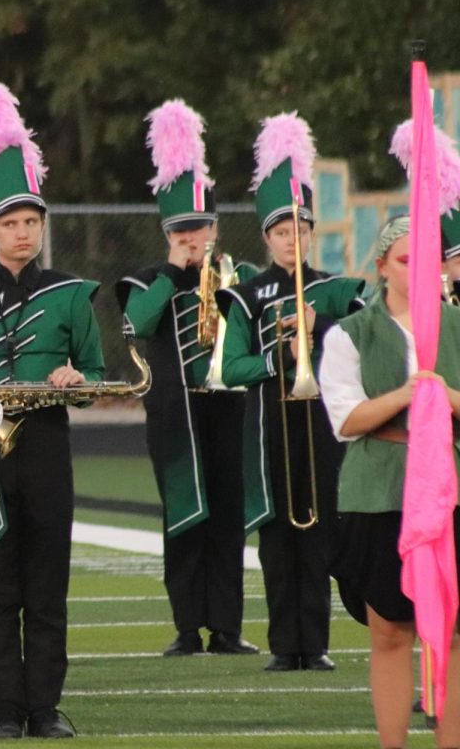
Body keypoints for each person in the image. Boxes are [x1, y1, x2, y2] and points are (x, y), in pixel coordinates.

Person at [0, 82, 102, 739]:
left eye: (32, 222)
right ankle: (4, 706)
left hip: (45, 444)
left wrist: (72, 378)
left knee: (46, 583)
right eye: (10, 224)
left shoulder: (70, 293)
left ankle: (45, 705)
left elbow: (91, 375)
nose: (23, 233)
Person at [218, 113, 365, 672]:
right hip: (269, 426)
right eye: (281, 233)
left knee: (321, 530)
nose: (291, 241)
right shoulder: (247, 297)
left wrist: (319, 330)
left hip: (323, 426)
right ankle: (286, 644)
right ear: (267, 238)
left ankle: (317, 643)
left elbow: (359, 345)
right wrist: (279, 354)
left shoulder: (335, 290)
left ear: (311, 234)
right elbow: (230, 367)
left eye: (300, 231)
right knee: (279, 535)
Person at [116, 100, 259, 657]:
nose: (194, 237)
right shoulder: (147, 278)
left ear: (216, 227)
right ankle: (186, 627)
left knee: (227, 515)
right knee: (183, 514)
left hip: (227, 405)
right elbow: (138, 324)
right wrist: (176, 270)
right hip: (175, 410)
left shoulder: (236, 276)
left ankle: (226, 627)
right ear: (166, 231)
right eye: (182, 230)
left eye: (201, 227)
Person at [320, 215, 460, 749]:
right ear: (380, 265)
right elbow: (346, 419)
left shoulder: (457, 327)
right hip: (379, 489)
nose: (420, 272)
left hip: (450, 488)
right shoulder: (350, 335)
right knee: (391, 631)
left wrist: (445, 398)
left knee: (452, 632)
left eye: (429, 260)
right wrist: (404, 395)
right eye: (406, 261)